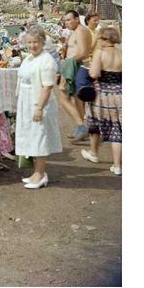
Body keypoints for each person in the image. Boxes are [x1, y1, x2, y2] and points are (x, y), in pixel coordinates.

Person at [15, 25, 62, 189]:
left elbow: (47, 86)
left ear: (42, 41)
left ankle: (41, 174)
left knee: (39, 136)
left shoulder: (46, 60)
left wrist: (39, 107)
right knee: (31, 136)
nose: (32, 45)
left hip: (38, 101)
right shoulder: (29, 58)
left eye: (36, 42)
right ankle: (36, 172)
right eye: (29, 42)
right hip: (26, 101)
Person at [81, 27, 123, 175]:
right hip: (119, 93)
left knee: (95, 123)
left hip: (103, 93)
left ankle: (93, 153)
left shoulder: (100, 53)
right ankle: (117, 165)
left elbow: (94, 73)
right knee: (116, 129)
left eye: (100, 38)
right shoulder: (121, 53)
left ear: (105, 39)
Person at [59, 10, 92, 141]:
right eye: (65, 20)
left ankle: (81, 127)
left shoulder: (81, 31)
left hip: (74, 68)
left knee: (63, 98)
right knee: (77, 101)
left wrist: (68, 64)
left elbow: (83, 53)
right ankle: (81, 128)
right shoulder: (75, 32)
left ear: (77, 19)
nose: (67, 23)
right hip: (76, 67)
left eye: (69, 20)